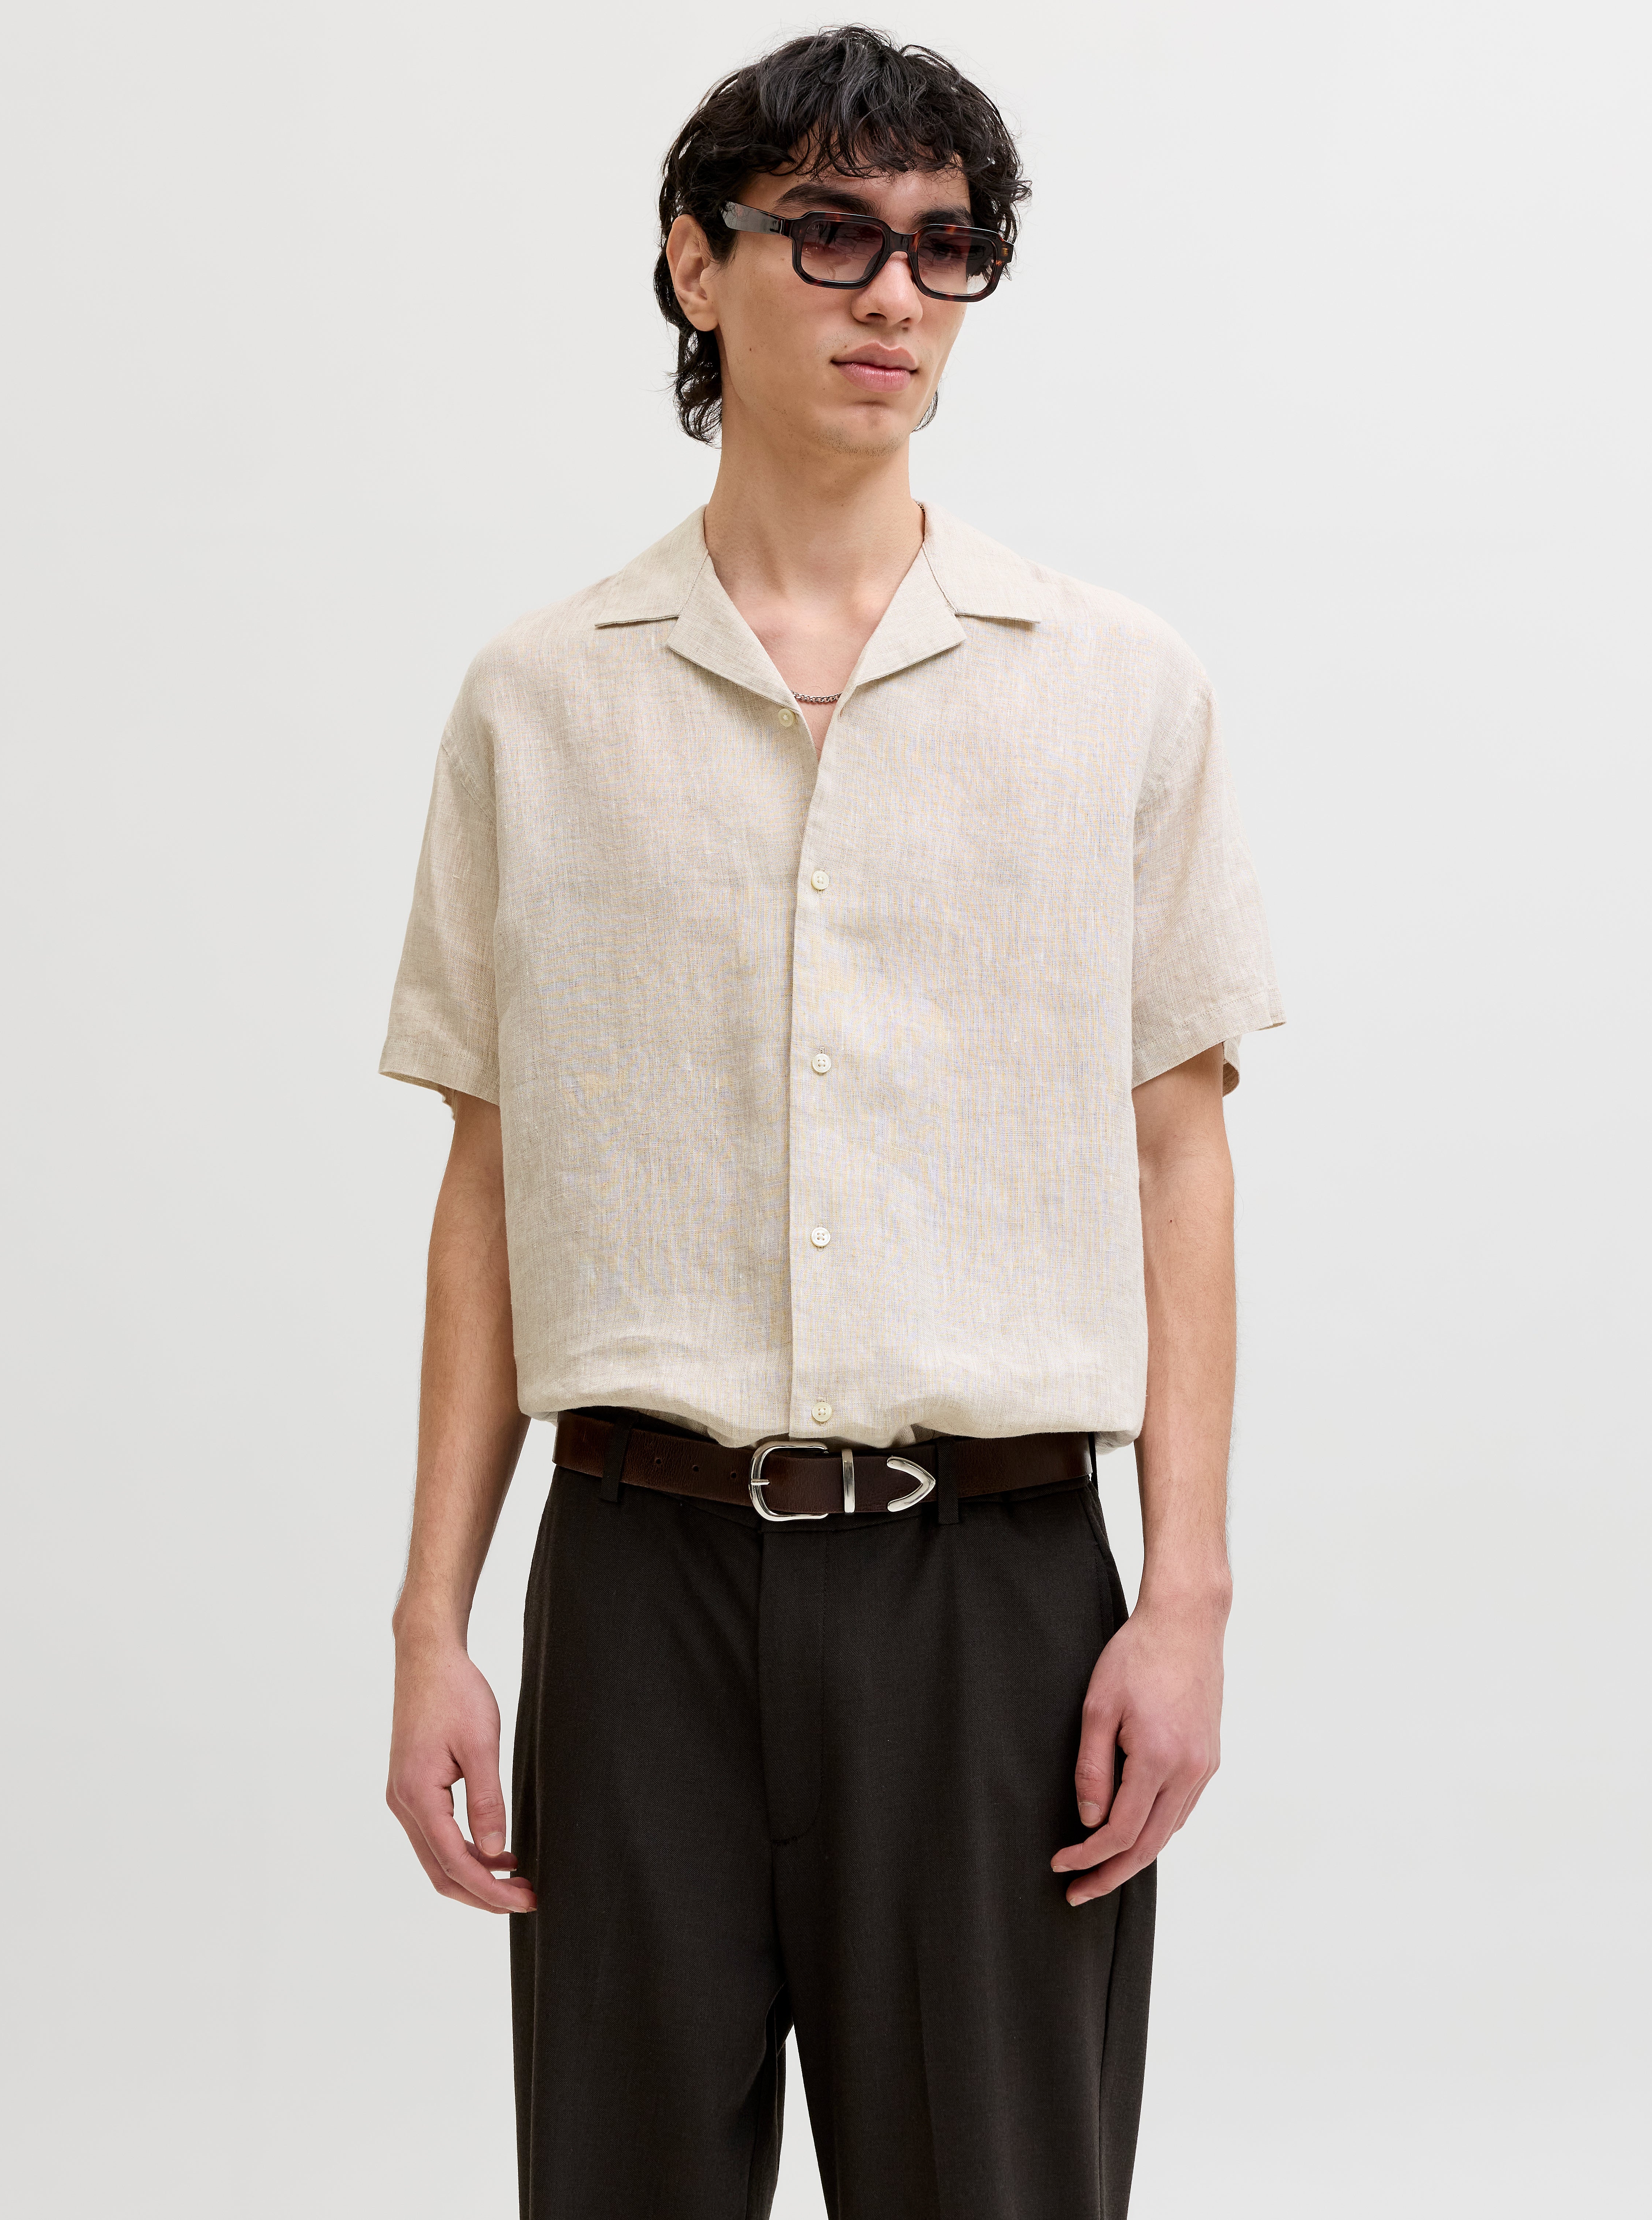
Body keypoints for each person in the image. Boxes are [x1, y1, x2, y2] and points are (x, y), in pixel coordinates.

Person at [380, 26, 1283, 2220]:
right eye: (830, 234)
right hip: (638, 1581)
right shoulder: (539, 702)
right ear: (695, 266)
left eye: (945, 249)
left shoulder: (1115, 689)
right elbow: (492, 1177)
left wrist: (1184, 1596)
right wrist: (430, 1622)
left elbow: (1179, 1155)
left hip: (994, 1602)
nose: (894, 294)